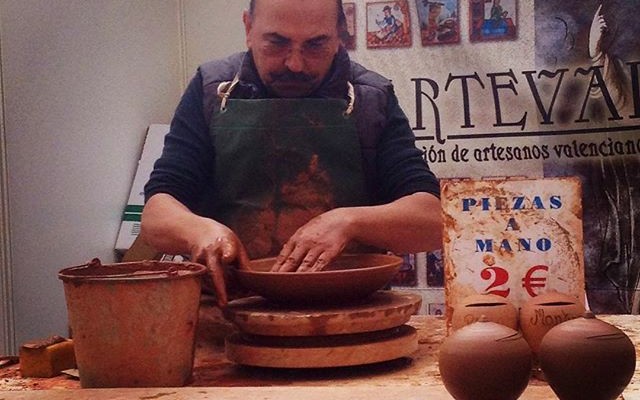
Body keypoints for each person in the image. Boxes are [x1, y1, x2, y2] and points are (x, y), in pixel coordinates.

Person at [141, 0, 443, 306]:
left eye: (315, 45)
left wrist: (350, 222)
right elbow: (157, 213)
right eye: (277, 43)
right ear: (248, 29)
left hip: (349, 312)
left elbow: (432, 219)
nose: (295, 64)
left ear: (340, 35)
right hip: (232, 313)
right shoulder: (212, 90)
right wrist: (199, 231)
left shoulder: (370, 98)